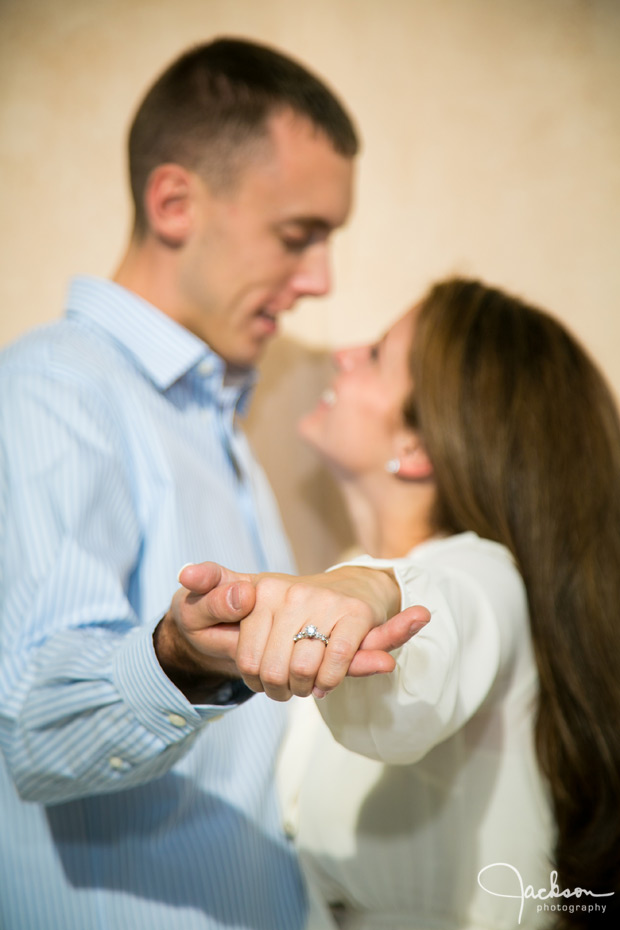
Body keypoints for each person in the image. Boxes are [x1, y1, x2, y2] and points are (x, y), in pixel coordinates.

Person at [0, 38, 428, 930]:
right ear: (174, 203)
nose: (319, 281)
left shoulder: (214, 419)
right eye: (296, 235)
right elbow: (38, 730)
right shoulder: (54, 387)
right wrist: (178, 662)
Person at [180, 277, 620, 929]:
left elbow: (426, 652)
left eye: (379, 354)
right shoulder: (340, 583)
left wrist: (372, 588)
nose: (343, 355)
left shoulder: (484, 574)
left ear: (416, 447)